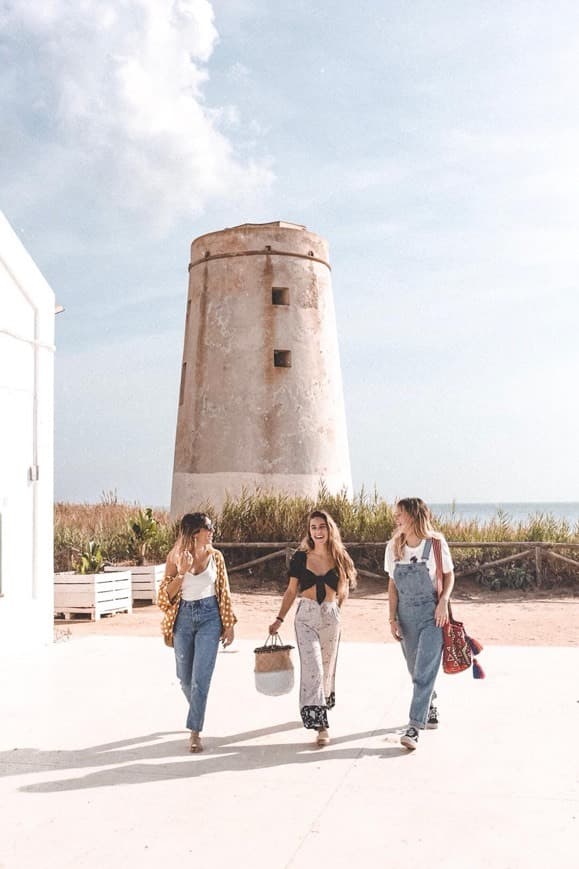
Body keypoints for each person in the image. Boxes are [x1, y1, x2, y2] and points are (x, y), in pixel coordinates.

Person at [269, 509, 357, 747]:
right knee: (314, 669)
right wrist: (279, 619)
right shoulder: (300, 557)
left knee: (327, 669)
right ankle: (321, 724)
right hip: (306, 616)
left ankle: (320, 704)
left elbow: (344, 588)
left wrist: (336, 609)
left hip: (330, 615)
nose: (318, 531)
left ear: (329, 529)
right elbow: (290, 591)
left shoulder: (340, 557)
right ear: (309, 531)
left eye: (322, 527)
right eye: (313, 527)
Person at [158, 512, 236, 753]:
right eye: (208, 528)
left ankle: (195, 732)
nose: (212, 531)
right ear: (194, 533)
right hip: (183, 618)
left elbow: (224, 591)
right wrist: (182, 572)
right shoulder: (175, 557)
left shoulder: (216, 557)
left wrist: (229, 623)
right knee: (184, 678)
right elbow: (163, 598)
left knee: (201, 678)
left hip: (210, 617)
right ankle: (198, 708)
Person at [384, 497, 454, 751]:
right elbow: (392, 585)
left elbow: (449, 575)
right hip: (405, 615)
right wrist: (391, 618)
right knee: (415, 669)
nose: (396, 519)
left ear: (413, 516)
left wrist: (443, 601)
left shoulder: (436, 543)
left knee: (424, 670)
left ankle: (414, 726)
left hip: (433, 614)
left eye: (399, 514)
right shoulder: (394, 546)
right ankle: (430, 703)